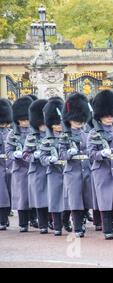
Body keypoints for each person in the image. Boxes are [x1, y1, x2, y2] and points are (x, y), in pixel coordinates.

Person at [88, 90, 113, 240]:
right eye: (106, 115)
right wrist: (101, 154)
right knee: (105, 202)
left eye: (111, 115)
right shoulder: (93, 133)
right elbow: (91, 154)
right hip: (102, 171)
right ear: (100, 116)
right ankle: (107, 229)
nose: (109, 118)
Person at [60, 93, 93, 238]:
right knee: (75, 199)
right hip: (72, 171)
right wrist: (69, 153)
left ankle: (83, 221)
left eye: (80, 119)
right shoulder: (64, 135)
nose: (78, 122)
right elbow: (61, 154)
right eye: (75, 119)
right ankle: (77, 226)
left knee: (86, 198)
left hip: (86, 169)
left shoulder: (88, 134)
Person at [41, 97, 72, 236]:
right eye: (55, 124)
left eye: (60, 123)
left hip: (68, 170)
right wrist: (49, 159)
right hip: (53, 171)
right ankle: (57, 225)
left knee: (69, 199)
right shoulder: (46, 139)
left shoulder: (68, 136)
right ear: (50, 124)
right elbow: (42, 157)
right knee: (55, 200)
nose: (59, 126)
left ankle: (66, 220)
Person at [7, 96, 33, 232]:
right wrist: (14, 155)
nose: (25, 122)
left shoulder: (35, 133)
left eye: (27, 119)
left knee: (34, 195)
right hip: (20, 168)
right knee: (23, 197)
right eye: (23, 120)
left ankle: (34, 219)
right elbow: (8, 151)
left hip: (33, 167)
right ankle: (23, 223)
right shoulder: (12, 134)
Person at [23, 99, 49, 234]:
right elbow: (25, 155)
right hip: (37, 171)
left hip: (51, 170)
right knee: (40, 200)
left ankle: (53, 221)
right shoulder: (31, 137)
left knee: (53, 197)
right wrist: (35, 156)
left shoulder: (55, 135)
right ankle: (43, 224)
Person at [0, 98, 12, 230]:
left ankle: (6, 216)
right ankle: (2, 219)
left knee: (9, 192)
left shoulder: (10, 133)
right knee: (1, 194)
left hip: (9, 165)